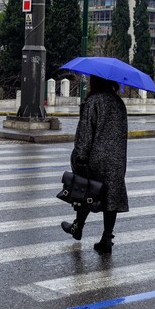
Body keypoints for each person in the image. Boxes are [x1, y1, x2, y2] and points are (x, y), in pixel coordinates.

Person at [61, 75, 129, 255]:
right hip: (116, 160)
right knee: (111, 197)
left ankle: (78, 227)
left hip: (96, 158)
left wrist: (80, 157)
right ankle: (107, 238)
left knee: (86, 192)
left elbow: (85, 133)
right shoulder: (119, 103)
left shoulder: (93, 102)